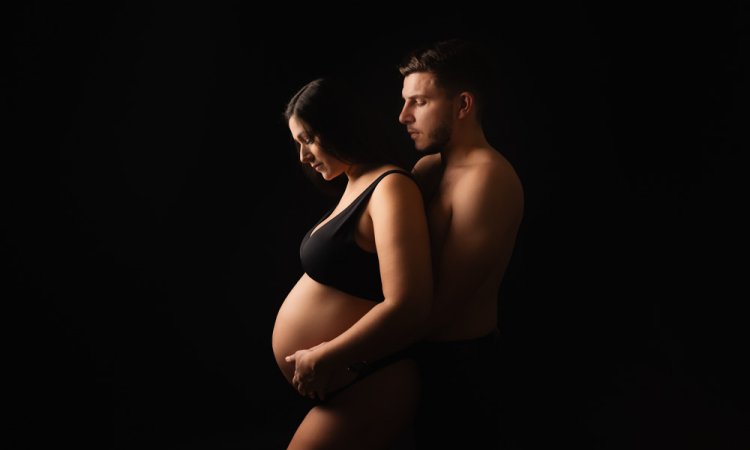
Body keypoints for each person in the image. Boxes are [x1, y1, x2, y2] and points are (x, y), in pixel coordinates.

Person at [271, 77, 433, 449]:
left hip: (371, 380)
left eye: (307, 140)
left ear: (340, 127)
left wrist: (325, 356)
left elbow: (410, 305)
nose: (303, 157)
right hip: (348, 381)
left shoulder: (391, 187)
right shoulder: (354, 182)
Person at [397, 38, 525, 448]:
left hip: (461, 370)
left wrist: (353, 356)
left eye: (418, 101)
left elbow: (443, 304)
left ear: (463, 105)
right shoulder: (427, 168)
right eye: (405, 101)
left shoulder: (488, 179)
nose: (403, 116)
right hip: (414, 358)